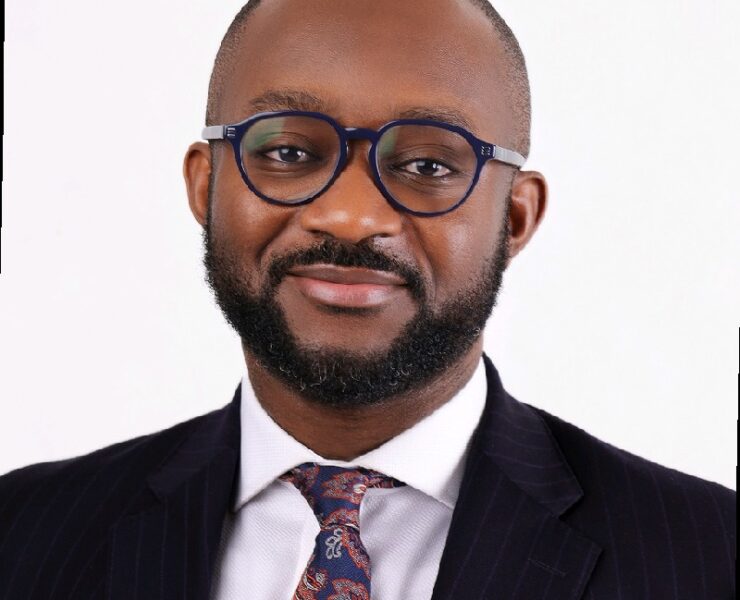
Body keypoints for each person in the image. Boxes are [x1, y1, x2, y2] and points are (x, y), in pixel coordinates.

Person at [0, 0, 735, 598]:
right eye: (288, 152)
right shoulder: (22, 536)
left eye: (428, 164)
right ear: (206, 186)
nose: (351, 217)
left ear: (516, 217)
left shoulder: (710, 558)